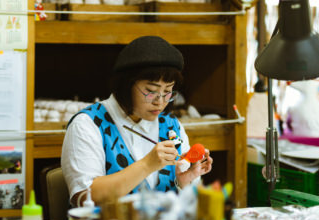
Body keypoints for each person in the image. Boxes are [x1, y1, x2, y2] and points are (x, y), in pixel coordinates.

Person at [61, 36, 213, 207]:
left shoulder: (171, 126)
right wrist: (147, 165)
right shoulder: (88, 124)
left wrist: (183, 183)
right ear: (126, 84)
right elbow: (85, 198)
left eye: (168, 91)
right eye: (151, 91)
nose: (160, 102)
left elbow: (190, 204)